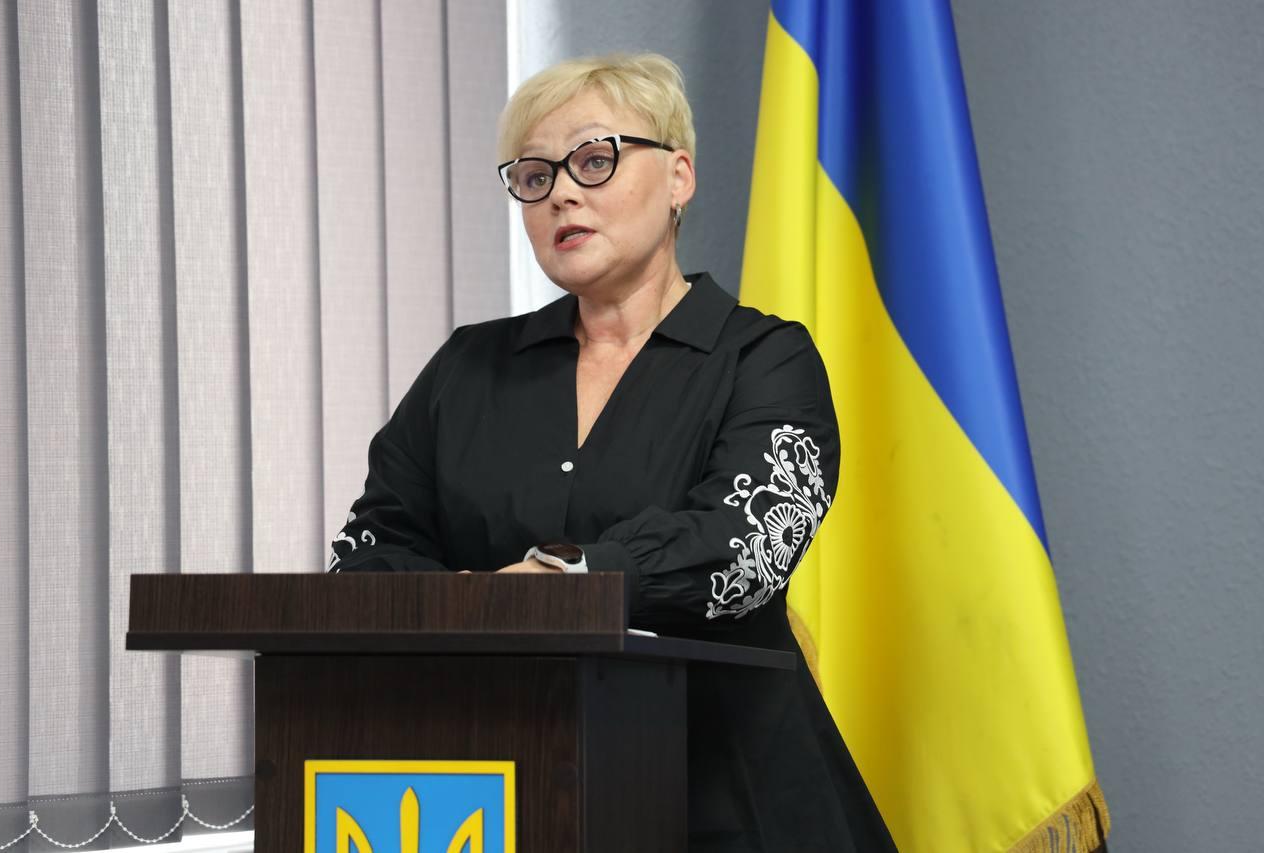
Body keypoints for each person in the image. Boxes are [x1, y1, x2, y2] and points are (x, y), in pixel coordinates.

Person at [328, 52, 895, 852]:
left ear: (679, 177)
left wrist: (565, 579)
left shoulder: (765, 358)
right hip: (496, 794)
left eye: (595, 160)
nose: (561, 193)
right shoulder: (468, 366)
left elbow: (744, 546)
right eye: (534, 176)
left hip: (731, 799)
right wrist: (472, 601)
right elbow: (370, 548)